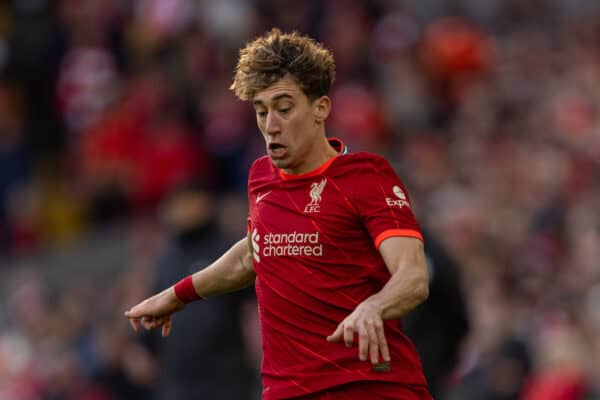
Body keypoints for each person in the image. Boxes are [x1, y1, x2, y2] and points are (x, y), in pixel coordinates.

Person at [125, 28, 432, 400]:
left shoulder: (367, 177)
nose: (271, 125)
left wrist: (374, 306)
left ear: (320, 108)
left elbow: (413, 275)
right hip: (287, 392)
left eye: (284, 109)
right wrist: (179, 294)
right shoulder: (260, 178)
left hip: (370, 388)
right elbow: (256, 251)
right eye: (261, 111)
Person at [143, 180, 258, 399]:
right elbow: (155, 306)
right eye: (175, 204)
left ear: (205, 202)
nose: (180, 210)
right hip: (178, 381)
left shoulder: (227, 250)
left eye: (187, 202)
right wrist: (143, 348)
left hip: (225, 377)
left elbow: (257, 299)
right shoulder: (166, 259)